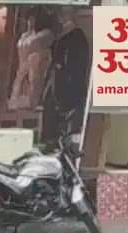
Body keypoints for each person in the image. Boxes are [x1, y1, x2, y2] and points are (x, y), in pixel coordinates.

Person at [41, 8, 89, 145]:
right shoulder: (61, 37)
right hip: (56, 84)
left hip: (69, 86)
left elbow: (76, 66)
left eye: (63, 14)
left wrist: (61, 70)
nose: (60, 17)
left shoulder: (77, 38)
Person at [9, 11, 54, 111]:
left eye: (33, 19)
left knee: (33, 82)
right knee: (19, 84)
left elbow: (38, 45)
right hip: (23, 65)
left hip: (35, 65)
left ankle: (33, 102)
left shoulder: (45, 34)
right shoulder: (25, 35)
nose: (30, 22)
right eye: (29, 19)